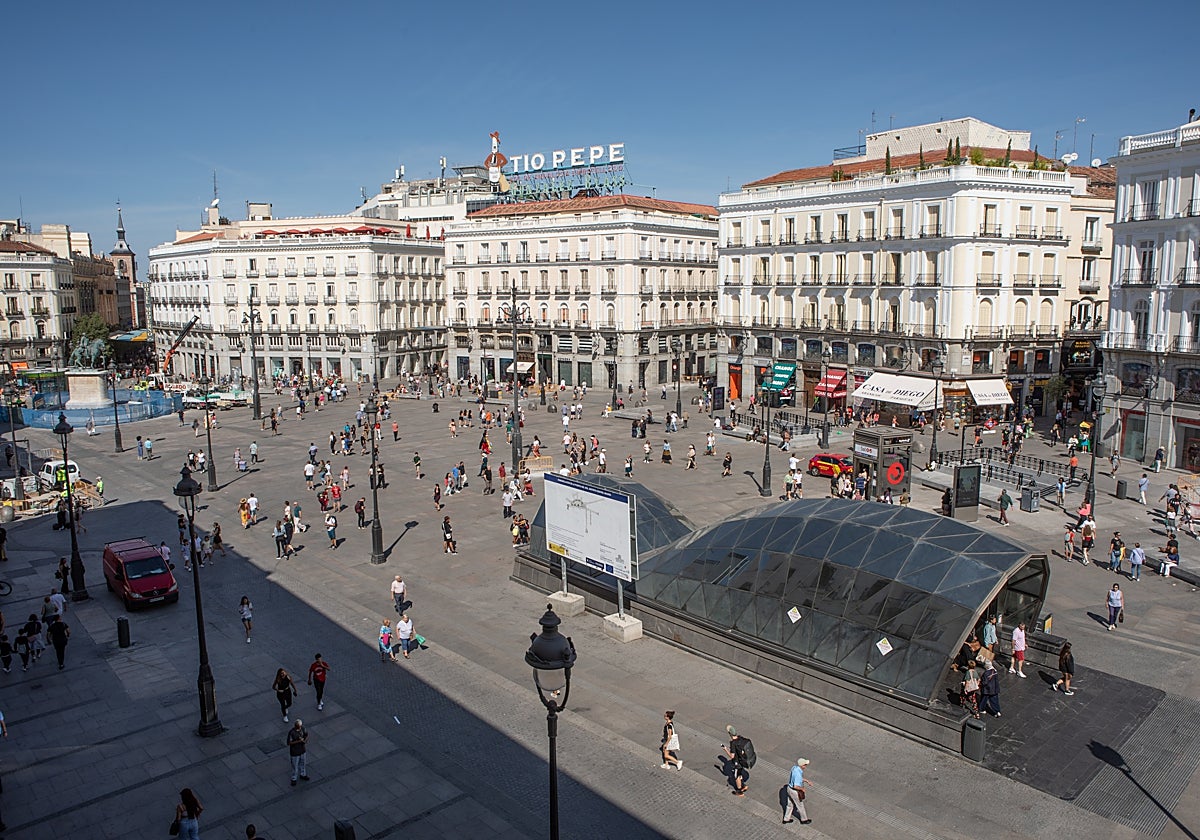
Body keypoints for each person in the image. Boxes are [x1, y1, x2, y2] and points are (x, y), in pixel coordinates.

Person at [722, 725, 753, 795]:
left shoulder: (733, 743)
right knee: (739, 773)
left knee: (736, 776)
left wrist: (726, 749)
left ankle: (739, 791)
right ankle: (743, 786)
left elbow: (732, 756)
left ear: (730, 734)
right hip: (743, 761)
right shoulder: (740, 738)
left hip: (737, 763)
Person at [783, 758, 813, 825]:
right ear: (802, 765)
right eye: (805, 765)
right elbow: (795, 786)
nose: (805, 766)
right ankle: (804, 820)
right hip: (794, 792)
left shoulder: (795, 768)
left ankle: (786, 819)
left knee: (789, 805)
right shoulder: (798, 774)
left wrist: (807, 781)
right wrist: (802, 789)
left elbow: (797, 779)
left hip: (789, 789)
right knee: (800, 806)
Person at [286, 719, 310, 786]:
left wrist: (305, 740)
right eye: (297, 726)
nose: (299, 728)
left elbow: (307, 735)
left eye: (299, 726)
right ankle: (294, 778)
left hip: (302, 750)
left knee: (303, 763)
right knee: (295, 766)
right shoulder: (291, 732)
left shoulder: (303, 728)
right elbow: (289, 743)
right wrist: (299, 741)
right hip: (295, 752)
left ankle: (303, 774)